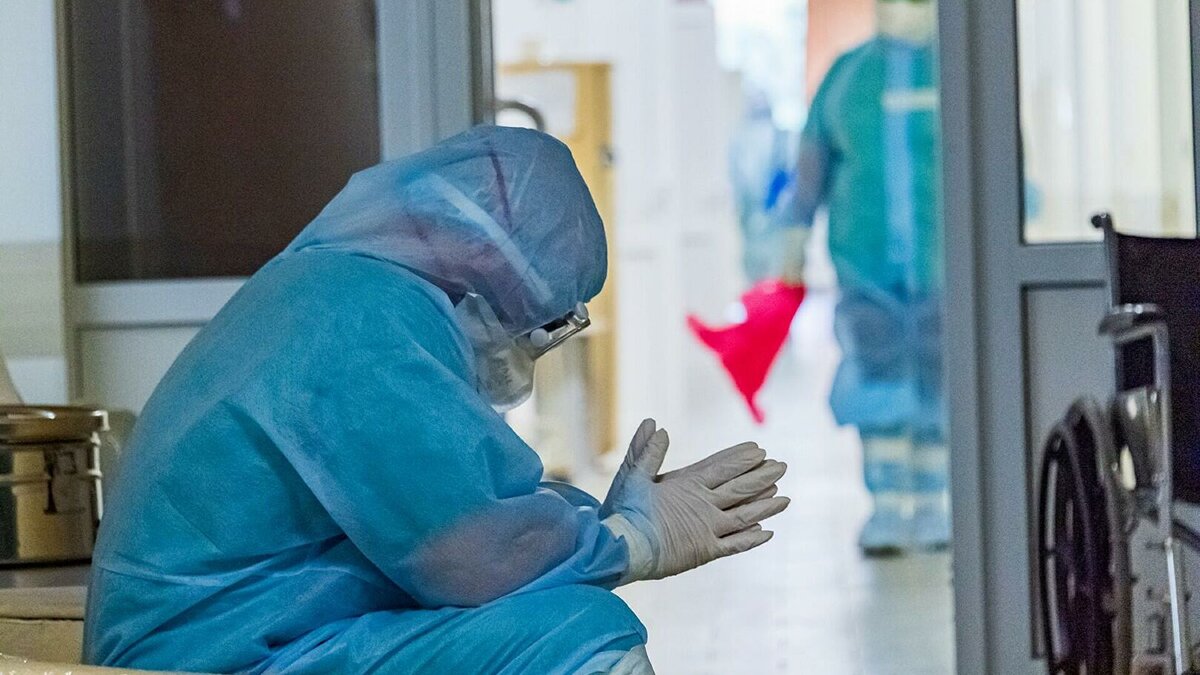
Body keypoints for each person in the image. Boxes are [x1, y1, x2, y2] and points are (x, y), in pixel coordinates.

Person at [83, 126, 790, 674]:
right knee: (576, 631)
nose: (531, 338)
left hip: (246, 634)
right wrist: (630, 541)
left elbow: (458, 504)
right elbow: (471, 553)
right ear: (488, 257)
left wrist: (595, 524)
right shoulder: (363, 320)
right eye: (538, 317)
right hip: (212, 656)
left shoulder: (343, 292)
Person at [776, 0, 945, 555]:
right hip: (866, 269)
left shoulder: (956, 72)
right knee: (878, 379)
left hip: (945, 270)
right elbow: (812, 164)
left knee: (942, 384)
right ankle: (888, 508)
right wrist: (793, 240)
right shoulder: (849, 77)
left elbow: (1002, 160)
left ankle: (936, 504)